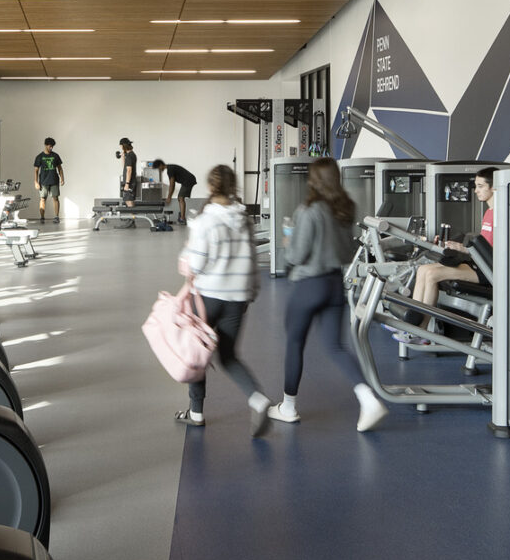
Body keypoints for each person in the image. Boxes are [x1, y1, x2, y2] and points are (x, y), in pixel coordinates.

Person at [269, 159, 386, 431]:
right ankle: (368, 400)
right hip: (335, 284)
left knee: (295, 343)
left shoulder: (308, 210)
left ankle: (288, 407)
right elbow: (347, 253)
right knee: (335, 346)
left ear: (314, 181)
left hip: (309, 285)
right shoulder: (346, 209)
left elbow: (297, 255)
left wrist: (288, 242)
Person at [176, 164, 273, 436]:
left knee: (197, 351)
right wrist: (251, 292)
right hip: (238, 297)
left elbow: (195, 263)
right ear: (233, 187)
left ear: (209, 187)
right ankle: (258, 398)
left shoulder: (205, 220)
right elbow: (253, 261)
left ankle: (196, 413)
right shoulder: (245, 219)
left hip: (208, 295)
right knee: (229, 355)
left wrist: (185, 260)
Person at [409, 167, 497, 312]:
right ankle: (412, 324)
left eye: (480, 186)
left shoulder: (501, 214)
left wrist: (463, 249)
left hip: (488, 271)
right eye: (476, 186)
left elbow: (493, 251)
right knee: (423, 269)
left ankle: (421, 329)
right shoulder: (488, 212)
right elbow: (482, 247)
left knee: (432, 274)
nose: (475, 191)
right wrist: (457, 246)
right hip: (478, 264)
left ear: (494, 188)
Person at [150, 158, 198, 227]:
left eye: (158, 168)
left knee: (181, 198)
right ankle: (181, 215)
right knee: (180, 198)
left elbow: (172, 184)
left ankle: (182, 219)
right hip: (188, 180)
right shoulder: (170, 168)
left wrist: (169, 197)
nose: (159, 170)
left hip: (188, 180)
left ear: (161, 165)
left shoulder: (170, 170)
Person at [34, 137, 65, 223]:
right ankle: (42, 217)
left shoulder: (55, 156)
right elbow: (36, 170)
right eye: (50, 146)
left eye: (52, 146)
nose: (51, 148)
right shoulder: (39, 157)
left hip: (54, 180)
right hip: (43, 181)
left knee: (55, 198)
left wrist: (62, 178)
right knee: (42, 198)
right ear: (46, 145)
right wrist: (36, 182)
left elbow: (60, 168)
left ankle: (56, 217)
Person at [118, 137, 139, 205]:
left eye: (121, 146)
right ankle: (132, 215)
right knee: (128, 201)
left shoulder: (130, 156)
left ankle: (133, 215)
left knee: (129, 203)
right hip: (129, 182)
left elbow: (129, 170)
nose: (121, 148)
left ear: (123, 146)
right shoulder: (130, 155)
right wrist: (123, 157)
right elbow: (125, 167)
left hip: (130, 183)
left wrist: (127, 184)